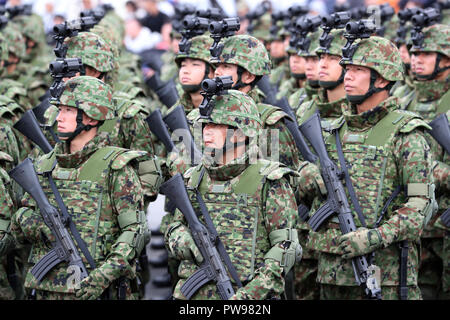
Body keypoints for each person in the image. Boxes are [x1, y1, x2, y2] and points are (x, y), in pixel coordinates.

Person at [300, 35, 435, 299]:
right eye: (347, 69)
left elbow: (421, 204)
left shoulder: (406, 134)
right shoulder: (331, 132)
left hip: (386, 277)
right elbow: (298, 199)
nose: (347, 76)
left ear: (382, 79)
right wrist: (304, 176)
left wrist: (375, 237)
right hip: (330, 275)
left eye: (358, 70)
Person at [5, 76, 149, 300]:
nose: (59, 118)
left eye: (68, 111)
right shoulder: (44, 165)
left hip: (98, 289)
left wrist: (102, 276)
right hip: (46, 289)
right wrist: (30, 221)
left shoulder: (116, 167)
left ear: (91, 117)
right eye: (59, 109)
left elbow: (135, 232)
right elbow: (19, 221)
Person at [164, 89, 301, 300]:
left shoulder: (270, 179)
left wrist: (249, 295)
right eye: (206, 125)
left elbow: (286, 247)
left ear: (241, 132)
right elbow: (173, 226)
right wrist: (179, 239)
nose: (207, 132)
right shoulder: (193, 178)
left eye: (216, 125)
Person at [401, 23, 450, 300]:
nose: (416, 61)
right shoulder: (404, 100)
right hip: (414, 227)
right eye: (414, 54)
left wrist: (429, 170)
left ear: (446, 59)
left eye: (425, 55)